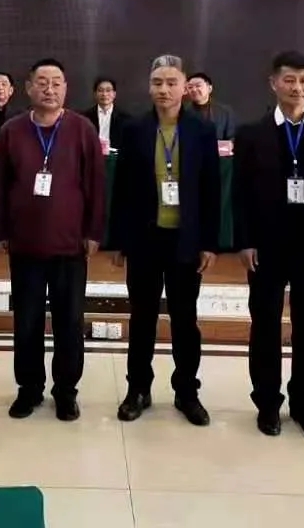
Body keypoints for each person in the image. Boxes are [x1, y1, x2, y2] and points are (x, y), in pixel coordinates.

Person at [232, 51, 304, 439]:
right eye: (289, 80)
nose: (297, 87)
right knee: (265, 326)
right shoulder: (251, 133)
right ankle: (267, 404)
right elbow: (240, 193)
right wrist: (244, 240)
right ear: (273, 83)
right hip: (266, 245)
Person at [110, 55, 220, 426]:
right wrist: (119, 240)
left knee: (185, 320)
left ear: (184, 87)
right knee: (142, 318)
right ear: (149, 86)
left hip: (185, 241)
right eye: (157, 82)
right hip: (144, 238)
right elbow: (122, 187)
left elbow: (211, 189)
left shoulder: (201, 130)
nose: (164, 89)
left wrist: (209, 242)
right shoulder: (134, 128)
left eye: (172, 82)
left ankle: (187, 391)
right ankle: (138, 389)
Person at [0, 58, 105, 421]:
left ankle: (66, 391)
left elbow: (96, 185)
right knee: (26, 322)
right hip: (24, 243)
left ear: (66, 88)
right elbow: (0, 185)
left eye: (57, 82)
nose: (49, 89)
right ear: (28, 88)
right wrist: (0, 230)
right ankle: (29, 389)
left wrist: (93, 232)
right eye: (42, 82)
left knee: (69, 322)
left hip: (70, 245)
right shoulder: (11, 130)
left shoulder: (82, 129)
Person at [185, 72, 236, 143]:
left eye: (198, 86)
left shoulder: (225, 111)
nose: (194, 90)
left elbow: (231, 139)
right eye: (190, 87)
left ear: (209, 88)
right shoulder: (183, 112)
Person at [81, 76, 129, 148]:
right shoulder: (85, 117)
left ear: (114, 94)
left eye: (108, 90)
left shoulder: (125, 118)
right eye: (100, 90)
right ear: (95, 94)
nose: (104, 94)